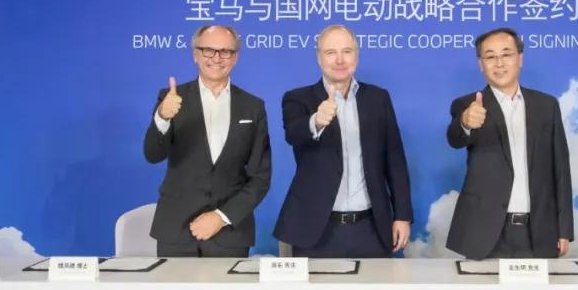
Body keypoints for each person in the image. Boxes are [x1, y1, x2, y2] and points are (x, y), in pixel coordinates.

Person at [273, 25, 412, 258]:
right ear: (319, 58)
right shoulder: (297, 98)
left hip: (372, 228)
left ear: (356, 56)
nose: (340, 60)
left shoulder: (378, 98)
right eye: (331, 53)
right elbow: (293, 134)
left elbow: (395, 160)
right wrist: (316, 121)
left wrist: (402, 216)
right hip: (315, 229)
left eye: (347, 51)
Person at [445, 27, 573, 260]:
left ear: (520, 58)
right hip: (484, 232)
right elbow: (455, 138)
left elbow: (561, 169)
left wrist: (564, 229)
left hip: (539, 230)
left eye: (506, 54)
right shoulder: (468, 105)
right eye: (490, 56)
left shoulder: (547, 105)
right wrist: (465, 122)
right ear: (481, 64)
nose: (499, 63)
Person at [143, 24, 271, 257]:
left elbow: (260, 177)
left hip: (229, 233)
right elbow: (152, 155)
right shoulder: (172, 99)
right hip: (176, 230)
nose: (217, 58)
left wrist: (221, 217)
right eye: (208, 50)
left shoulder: (253, 107)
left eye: (225, 51)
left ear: (235, 57)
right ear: (195, 54)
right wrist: (162, 117)